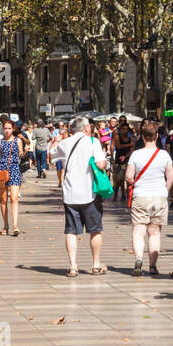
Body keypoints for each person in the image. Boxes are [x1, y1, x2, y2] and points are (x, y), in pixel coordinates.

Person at [57, 116, 108, 276]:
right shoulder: (93, 142)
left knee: (71, 231)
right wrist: (102, 161)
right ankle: (96, 265)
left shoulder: (65, 142)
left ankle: (73, 266)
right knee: (95, 230)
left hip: (70, 193)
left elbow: (53, 155)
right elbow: (100, 164)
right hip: (89, 193)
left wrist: (58, 140)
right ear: (86, 128)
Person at [127, 122, 173, 276]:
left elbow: (128, 176)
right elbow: (170, 176)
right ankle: (153, 266)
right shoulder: (164, 155)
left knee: (139, 231)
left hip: (140, 196)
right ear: (157, 136)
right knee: (154, 233)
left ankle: (138, 258)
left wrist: (135, 183)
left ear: (142, 136)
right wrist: (165, 191)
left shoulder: (136, 154)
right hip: (159, 196)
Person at [0, 119, 24, 235]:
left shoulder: (18, 140)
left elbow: (20, 152)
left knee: (14, 198)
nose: (7, 130)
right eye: (5, 128)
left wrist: (22, 154)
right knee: (3, 200)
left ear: (13, 129)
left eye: (9, 128)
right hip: (2, 171)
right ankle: (6, 225)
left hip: (15, 169)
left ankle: (15, 226)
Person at [112, 119, 135, 204]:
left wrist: (125, 156)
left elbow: (132, 150)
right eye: (123, 129)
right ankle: (115, 196)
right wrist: (130, 144)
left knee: (128, 180)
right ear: (120, 130)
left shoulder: (131, 139)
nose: (125, 131)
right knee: (118, 181)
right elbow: (119, 146)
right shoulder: (117, 137)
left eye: (126, 129)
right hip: (118, 161)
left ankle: (128, 197)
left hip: (128, 161)